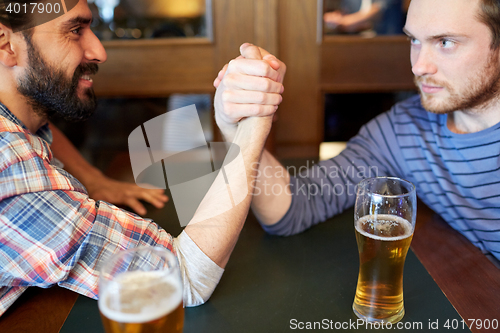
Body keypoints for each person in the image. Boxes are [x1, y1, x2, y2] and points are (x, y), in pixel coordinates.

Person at [0, 0, 284, 315]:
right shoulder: (9, 168)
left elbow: (39, 123)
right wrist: (254, 124)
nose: (99, 51)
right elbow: (182, 278)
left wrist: (93, 180)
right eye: (75, 31)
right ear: (6, 44)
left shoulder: (15, 116)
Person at [214, 0, 500, 267]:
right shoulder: (405, 129)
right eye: (414, 39)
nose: (419, 66)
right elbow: (293, 206)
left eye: (445, 42)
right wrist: (238, 126)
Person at [324, 0, 404, 35]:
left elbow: (379, 10)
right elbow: (346, 12)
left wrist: (346, 21)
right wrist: (335, 17)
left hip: (388, 39)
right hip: (357, 40)